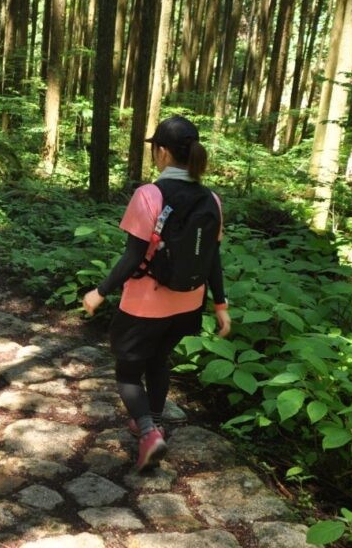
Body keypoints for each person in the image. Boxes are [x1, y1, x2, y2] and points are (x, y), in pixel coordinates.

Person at [82, 115, 231, 472]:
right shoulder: (212, 198)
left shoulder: (149, 194)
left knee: (128, 372)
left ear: (161, 152)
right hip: (188, 302)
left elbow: (134, 256)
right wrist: (220, 305)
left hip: (146, 303)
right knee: (159, 360)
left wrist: (99, 292)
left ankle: (149, 433)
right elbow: (213, 257)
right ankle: (154, 420)